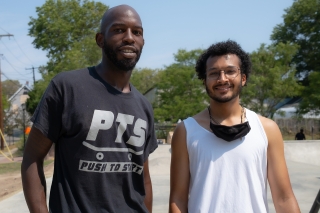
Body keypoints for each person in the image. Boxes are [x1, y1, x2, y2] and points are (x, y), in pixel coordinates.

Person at [21, 5, 158, 213]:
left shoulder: (144, 106)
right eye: (119, 30)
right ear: (100, 40)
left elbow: (143, 180)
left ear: (143, 42)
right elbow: (32, 158)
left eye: (136, 32)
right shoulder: (66, 87)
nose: (130, 38)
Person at [169, 40, 300, 213]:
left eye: (230, 71)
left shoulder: (267, 129)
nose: (222, 79)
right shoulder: (186, 131)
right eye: (214, 73)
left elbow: (284, 198)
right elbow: (178, 199)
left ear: (243, 78)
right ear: (204, 81)